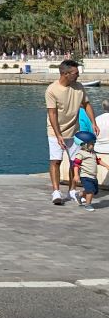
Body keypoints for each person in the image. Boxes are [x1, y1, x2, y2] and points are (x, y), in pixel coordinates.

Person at [46, 59, 100, 205]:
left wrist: (93, 123)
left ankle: (72, 191)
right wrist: (58, 135)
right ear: (65, 73)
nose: (78, 76)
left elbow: (87, 104)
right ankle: (56, 192)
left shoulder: (79, 87)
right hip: (55, 131)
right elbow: (52, 114)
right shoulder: (52, 89)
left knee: (74, 162)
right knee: (56, 160)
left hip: (74, 131)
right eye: (75, 73)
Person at [71, 131, 103, 212]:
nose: (93, 145)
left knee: (94, 191)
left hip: (93, 176)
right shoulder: (80, 154)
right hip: (85, 176)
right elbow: (76, 165)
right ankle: (88, 205)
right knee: (90, 191)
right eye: (91, 144)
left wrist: (106, 166)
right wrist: (76, 175)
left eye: (93, 144)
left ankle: (79, 195)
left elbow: (98, 161)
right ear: (84, 144)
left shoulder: (93, 153)